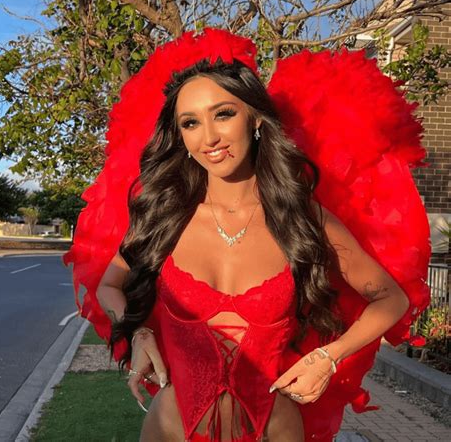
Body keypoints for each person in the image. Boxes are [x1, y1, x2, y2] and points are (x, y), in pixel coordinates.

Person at [64, 28, 431, 442]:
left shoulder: (302, 217)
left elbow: (391, 298)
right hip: (171, 430)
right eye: (190, 123)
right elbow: (109, 286)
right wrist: (139, 333)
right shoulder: (164, 217)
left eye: (223, 114)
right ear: (180, 136)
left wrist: (328, 359)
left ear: (255, 118)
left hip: (274, 430)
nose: (209, 137)